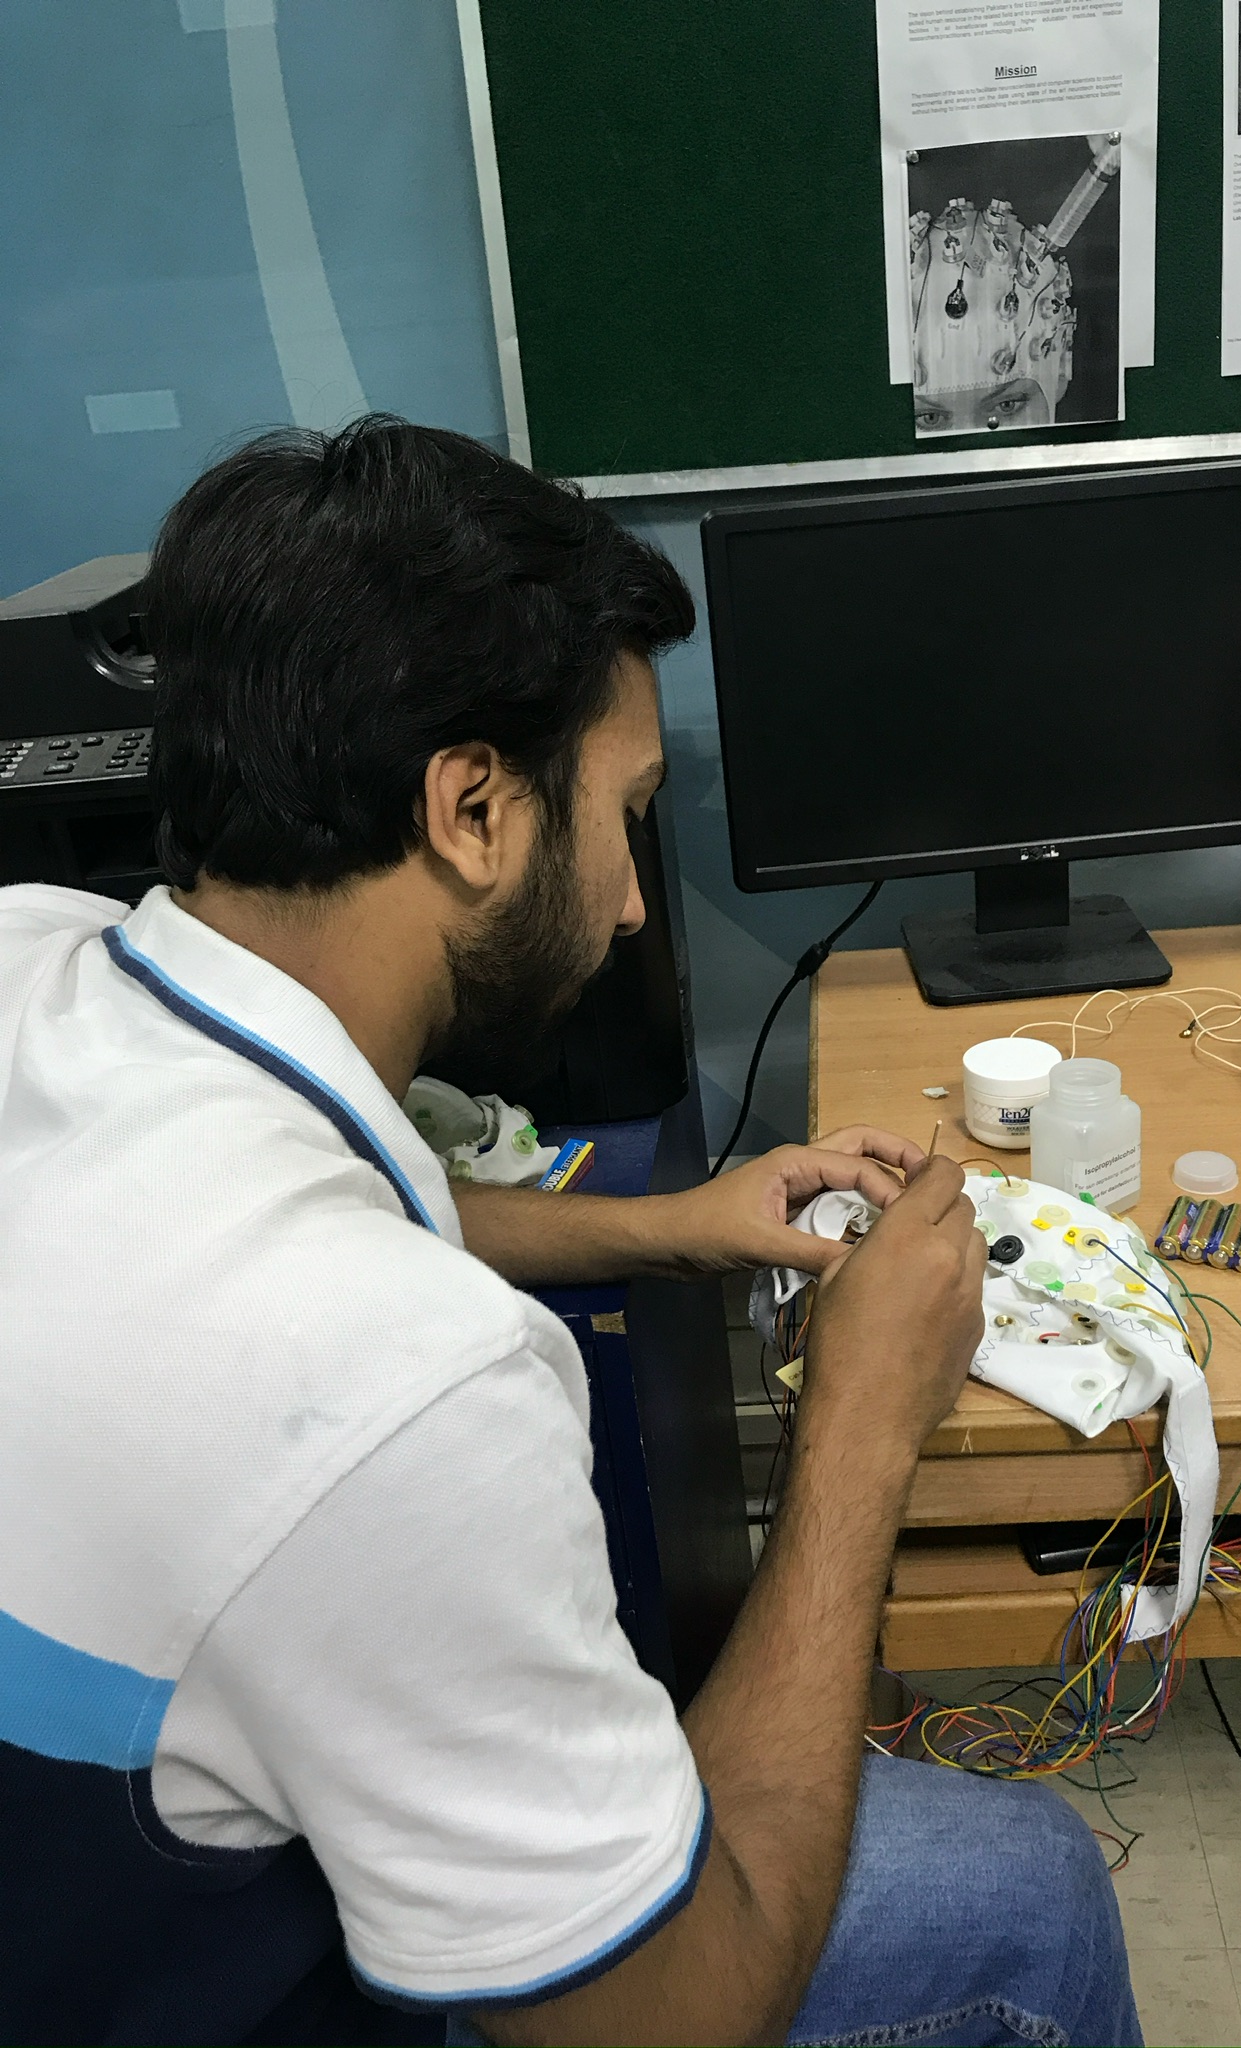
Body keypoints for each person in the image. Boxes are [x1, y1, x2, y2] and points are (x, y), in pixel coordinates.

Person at [0, 417, 1141, 2048]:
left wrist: (670, 1222)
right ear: (472, 808)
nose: (624, 900)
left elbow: (276, 1225)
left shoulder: (38, 960)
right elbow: (676, 2017)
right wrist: (860, 1430)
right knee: (1020, 1888)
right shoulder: (418, 1390)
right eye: (625, 808)